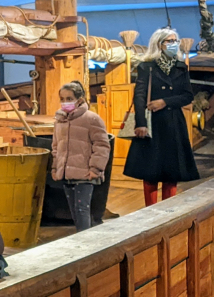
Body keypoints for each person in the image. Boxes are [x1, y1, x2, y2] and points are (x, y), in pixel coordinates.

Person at [123, 27, 200, 206]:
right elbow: (139, 96)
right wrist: (140, 123)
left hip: (173, 123)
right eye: (169, 41)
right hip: (152, 123)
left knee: (171, 171)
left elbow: (188, 96)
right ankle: (149, 210)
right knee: (150, 171)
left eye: (175, 41)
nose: (174, 44)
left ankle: (167, 209)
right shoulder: (146, 67)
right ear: (159, 44)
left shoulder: (181, 67)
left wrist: (165, 101)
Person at [51, 81, 111, 232]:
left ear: (80, 100)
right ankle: (82, 239)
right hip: (65, 173)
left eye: (69, 98)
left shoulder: (92, 119)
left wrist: (95, 169)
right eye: (62, 99)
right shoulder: (60, 120)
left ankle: (86, 244)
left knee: (82, 210)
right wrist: (55, 168)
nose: (65, 102)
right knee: (74, 212)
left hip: (84, 173)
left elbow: (101, 145)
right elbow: (56, 147)